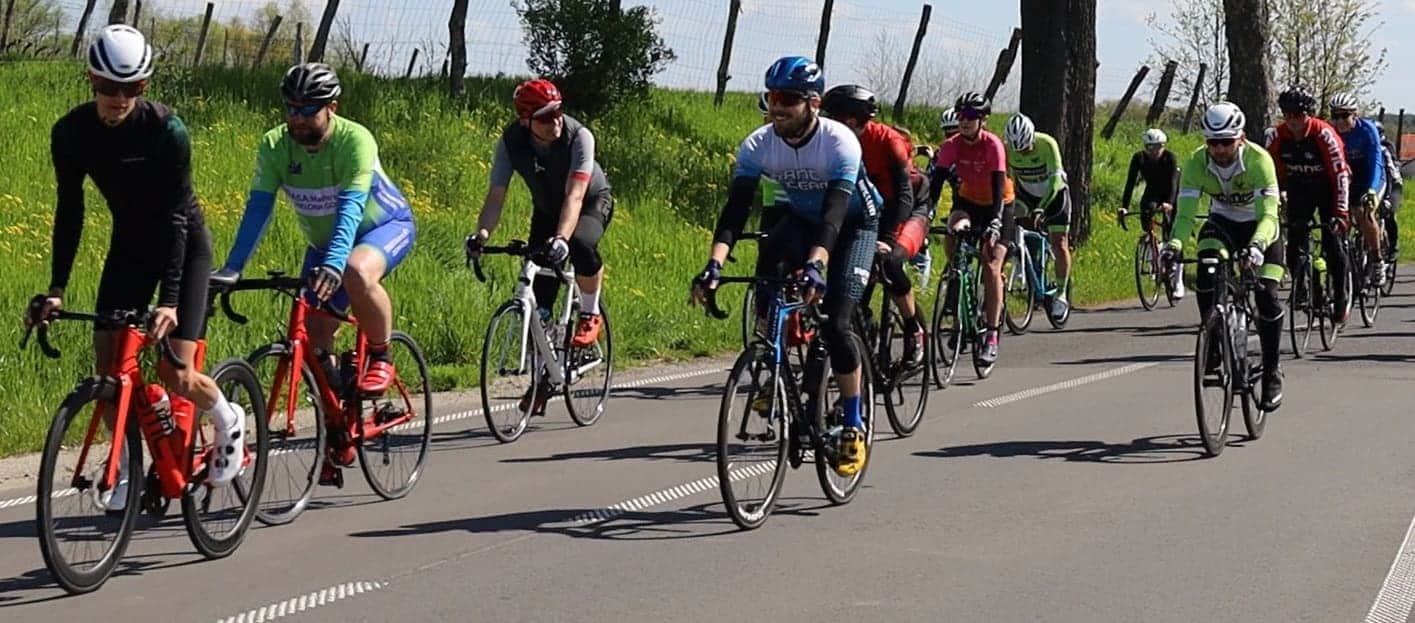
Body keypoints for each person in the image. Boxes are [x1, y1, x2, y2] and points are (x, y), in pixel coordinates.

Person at [32, 25, 246, 507]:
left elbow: (175, 217)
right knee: (110, 371)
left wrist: (169, 302)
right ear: (91, 79)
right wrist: (56, 287)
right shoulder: (70, 131)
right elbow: (71, 212)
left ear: (143, 87)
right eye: (107, 86)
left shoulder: (167, 130)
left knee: (178, 373)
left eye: (129, 88)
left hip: (185, 245)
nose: (117, 98)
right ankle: (129, 464)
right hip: (129, 245)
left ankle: (227, 417)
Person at [214, 62, 416, 479]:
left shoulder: (354, 140)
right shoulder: (274, 146)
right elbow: (258, 210)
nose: (297, 118)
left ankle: (381, 354)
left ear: (332, 108)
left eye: (308, 110)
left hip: (384, 228)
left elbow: (350, 208)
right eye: (291, 108)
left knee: (356, 273)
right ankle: (339, 425)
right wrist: (233, 267)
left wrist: (334, 263)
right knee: (314, 339)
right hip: (325, 246)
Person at [690, 56, 882, 477]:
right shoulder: (759, 144)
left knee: (836, 323)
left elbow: (834, 215)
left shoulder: (839, 142)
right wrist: (714, 265)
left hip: (852, 225)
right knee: (769, 272)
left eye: (788, 99)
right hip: (801, 219)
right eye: (773, 96)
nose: (777, 106)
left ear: (813, 103)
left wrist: (816, 265)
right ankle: (774, 362)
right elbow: (735, 211)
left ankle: (853, 423)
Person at [465, 78, 614, 412]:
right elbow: (496, 195)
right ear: (525, 120)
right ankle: (543, 380)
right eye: (546, 117)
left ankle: (590, 314)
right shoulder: (510, 143)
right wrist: (482, 236)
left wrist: (561, 240)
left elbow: (575, 196)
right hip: (547, 211)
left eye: (559, 111)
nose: (556, 121)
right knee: (540, 302)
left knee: (579, 243)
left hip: (590, 203)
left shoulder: (579, 137)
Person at [1163, 102, 1285, 411]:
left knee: (1268, 296)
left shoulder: (1259, 161)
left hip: (1260, 229)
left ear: (1240, 138)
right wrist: (1175, 243)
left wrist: (1257, 245)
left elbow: (1269, 214)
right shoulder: (1195, 163)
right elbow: (1186, 214)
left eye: (1226, 141)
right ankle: (1214, 344)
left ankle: (1272, 372)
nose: (1219, 148)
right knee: (1207, 267)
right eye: (1212, 142)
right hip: (1222, 224)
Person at [820, 84, 929, 367]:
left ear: (851, 121)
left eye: (830, 117)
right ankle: (862, 328)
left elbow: (904, 195)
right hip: (869, 212)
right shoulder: (833, 141)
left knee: (891, 262)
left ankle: (912, 329)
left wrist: (890, 239)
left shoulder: (886, 140)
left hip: (909, 207)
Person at [928, 91, 1014, 365]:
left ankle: (991, 334)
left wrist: (996, 222)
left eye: (971, 117)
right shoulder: (951, 145)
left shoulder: (993, 145)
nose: (964, 121)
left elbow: (999, 185)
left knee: (991, 265)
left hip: (999, 204)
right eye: (961, 116)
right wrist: (925, 214)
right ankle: (958, 296)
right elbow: (937, 182)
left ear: (983, 120)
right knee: (954, 236)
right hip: (968, 203)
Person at [1268, 85, 1351, 319]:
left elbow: (1340, 175)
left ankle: (1340, 297)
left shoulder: (1324, 134)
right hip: (1298, 188)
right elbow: (1268, 173)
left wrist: (1341, 213)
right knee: (1294, 242)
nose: (1293, 121)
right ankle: (1301, 287)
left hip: (1328, 188)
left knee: (1332, 242)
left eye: (1298, 115)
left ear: (1309, 114)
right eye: (1288, 114)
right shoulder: (1276, 136)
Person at [1003, 112, 1073, 320]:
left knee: (1059, 243)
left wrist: (1042, 207)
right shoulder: (1008, 149)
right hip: (1026, 194)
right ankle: (1024, 266)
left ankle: (1061, 293)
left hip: (1054, 195)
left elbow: (1055, 181)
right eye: (1018, 150)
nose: (1022, 153)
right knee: (1010, 233)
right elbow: (1009, 179)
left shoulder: (1047, 144)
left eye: (1025, 148)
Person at [1329, 92, 1388, 287]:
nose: (1339, 121)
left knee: (1364, 212)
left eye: (1344, 115)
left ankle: (1378, 260)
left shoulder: (1366, 130)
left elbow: (1376, 162)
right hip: (1347, 178)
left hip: (1371, 177)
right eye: (1335, 116)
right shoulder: (1330, 132)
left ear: (1355, 114)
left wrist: (1372, 189)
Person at [1119, 128, 1184, 298]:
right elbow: (1130, 182)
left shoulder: (1170, 157)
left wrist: (1169, 203)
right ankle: (1152, 244)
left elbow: (1173, 182)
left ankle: (1178, 279)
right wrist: (1124, 206)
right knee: (1145, 211)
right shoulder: (1139, 158)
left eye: (1158, 147)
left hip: (1172, 193)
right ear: (1145, 147)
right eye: (1150, 147)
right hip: (1153, 192)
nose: (1154, 151)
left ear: (1163, 146)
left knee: (1173, 230)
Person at [1375, 120, 1403, 256]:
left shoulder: (1386, 147)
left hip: (1393, 183)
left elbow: (1392, 173)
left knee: (1389, 213)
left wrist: (1388, 198)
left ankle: (1393, 246)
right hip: (1375, 183)